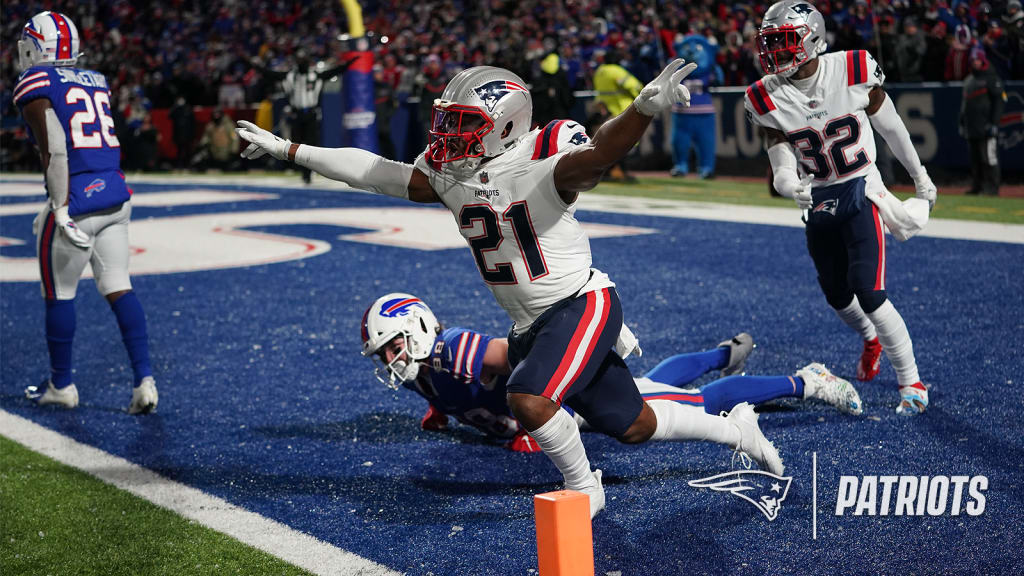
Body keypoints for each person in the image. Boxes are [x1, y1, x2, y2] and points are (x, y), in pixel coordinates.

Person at [238, 59, 781, 518]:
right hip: (531, 324)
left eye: (463, 123)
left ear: (503, 126)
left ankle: (584, 488)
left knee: (529, 397)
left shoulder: (542, 153)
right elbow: (372, 171)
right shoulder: (449, 173)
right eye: (446, 121)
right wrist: (290, 150)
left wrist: (639, 110)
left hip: (580, 302)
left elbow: (595, 159)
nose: (446, 136)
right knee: (633, 424)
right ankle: (735, 430)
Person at [359, 293, 863, 453]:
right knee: (654, 387)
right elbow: (451, 395)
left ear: (418, 327)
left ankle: (807, 380)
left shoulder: (452, 349)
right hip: (564, 404)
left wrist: (532, 416)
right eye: (384, 355)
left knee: (692, 405)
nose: (391, 361)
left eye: (393, 347)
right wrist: (440, 411)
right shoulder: (426, 374)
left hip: (567, 397)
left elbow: (516, 359)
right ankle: (720, 353)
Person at [745, 1, 935, 416]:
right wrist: (789, 184)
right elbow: (779, 163)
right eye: (769, 42)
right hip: (819, 198)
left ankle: (912, 382)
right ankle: (870, 339)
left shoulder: (851, 67)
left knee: (869, 291)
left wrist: (920, 177)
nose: (774, 51)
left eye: (784, 41)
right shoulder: (764, 96)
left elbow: (892, 128)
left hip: (862, 187)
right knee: (836, 294)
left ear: (812, 38)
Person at [14, 11, 157, 414]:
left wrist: (59, 208)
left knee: (59, 294)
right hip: (115, 193)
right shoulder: (95, 80)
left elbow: (56, 149)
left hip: (76, 198)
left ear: (34, 48)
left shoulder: (36, 81)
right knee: (118, 284)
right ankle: (144, 381)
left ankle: (62, 385)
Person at [253, 51, 357, 183]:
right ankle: (303, 170)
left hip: (311, 113)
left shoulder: (315, 76)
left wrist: (348, 64)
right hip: (296, 113)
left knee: (310, 143)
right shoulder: (290, 76)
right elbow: (270, 74)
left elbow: (334, 72)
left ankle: (308, 172)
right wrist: (255, 66)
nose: (302, 63)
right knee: (297, 143)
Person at [960, 49, 1005, 196]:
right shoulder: (968, 80)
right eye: (972, 60)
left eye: (977, 60)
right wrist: (962, 123)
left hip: (986, 126)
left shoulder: (992, 78)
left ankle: (992, 188)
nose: (974, 63)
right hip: (972, 127)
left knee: (989, 159)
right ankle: (977, 186)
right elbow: (964, 105)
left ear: (983, 60)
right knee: (976, 160)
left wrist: (994, 123)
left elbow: (999, 101)